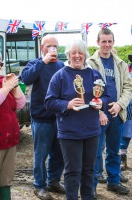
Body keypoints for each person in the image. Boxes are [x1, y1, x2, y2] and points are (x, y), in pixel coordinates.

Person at [44, 39, 109, 200]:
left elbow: (106, 96)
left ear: (85, 55)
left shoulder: (94, 74)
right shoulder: (60, 75)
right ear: (68, 55)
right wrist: (68, 104)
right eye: (74, 53)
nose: (77, 56)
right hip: (69, 132)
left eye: (80, 52)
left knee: (88, 170)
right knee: (72, 171)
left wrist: (101, 103)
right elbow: (49, 102)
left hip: (92, 131)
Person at [87, 28, 132, 197]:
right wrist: (99, 111)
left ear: (113, 42)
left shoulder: (120, 64)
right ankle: (90, 187)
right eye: (103, 41)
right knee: (94, 152)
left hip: (116, 114)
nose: (107, 45)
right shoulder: (90, 63)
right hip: (97, 115)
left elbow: (129, 86)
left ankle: (114, 181)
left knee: (114, 151)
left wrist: (120, 105)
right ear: (97, 42)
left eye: (109, 41)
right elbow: (87, 90)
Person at [21, 34, 65, 200]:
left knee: (59, 153)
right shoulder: (35, 63)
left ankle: (54, 180)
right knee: (41, 154)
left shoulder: (61, 65)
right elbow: (26, 79)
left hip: (59, 118)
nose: (52, 49)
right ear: (42, 48)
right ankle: (39, 185)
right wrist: (44, 61)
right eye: (49, 46)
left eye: (55, 46)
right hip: (41, 118)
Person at [0, 49, 26, 199]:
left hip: (9, 140)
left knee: (4, 181)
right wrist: (6, 87)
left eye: (0, 63)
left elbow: (20, 104)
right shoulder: (2, 85)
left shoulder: (2, 80)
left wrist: (14, 86)